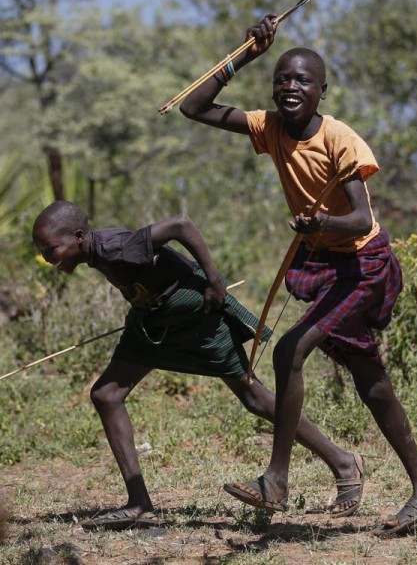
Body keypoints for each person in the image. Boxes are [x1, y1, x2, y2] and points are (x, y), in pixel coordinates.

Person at [178, 15, 417, 536]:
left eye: (302, 80)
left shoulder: (340, 139)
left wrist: (321, 222)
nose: (290, 87)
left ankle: (275, 481)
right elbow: (195, 107)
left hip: (361, 265)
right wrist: (246, 54)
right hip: (327, 266)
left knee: (288, 351)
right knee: (370, 379)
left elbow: (362, 218)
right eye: (282, 78)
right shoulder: (268, 127)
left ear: (322, 90)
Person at [32, 201, 369, 531]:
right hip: (153, 319)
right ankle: (139, 505)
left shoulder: (116, 246)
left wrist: (214, 281)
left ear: (78, 236)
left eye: (52, 249)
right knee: (106, 394)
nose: (48, 259)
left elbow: (181, 224)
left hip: (194, 314)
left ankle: (343, 462)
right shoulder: (98, 254)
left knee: (253, 398)